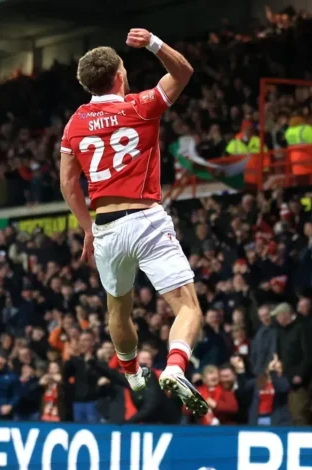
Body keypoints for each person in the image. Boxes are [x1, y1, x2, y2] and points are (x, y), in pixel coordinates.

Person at [59, 27, 208, 416]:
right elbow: (183, 72)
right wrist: (155, 43)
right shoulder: (140, 106)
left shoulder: (75, 123)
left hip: (106, 228)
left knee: (118, 309)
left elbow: (68, 183)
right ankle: (175, 367)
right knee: (187, 308)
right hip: (146, 218)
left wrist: (87, 228)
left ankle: (131, 371)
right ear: (119, 75)